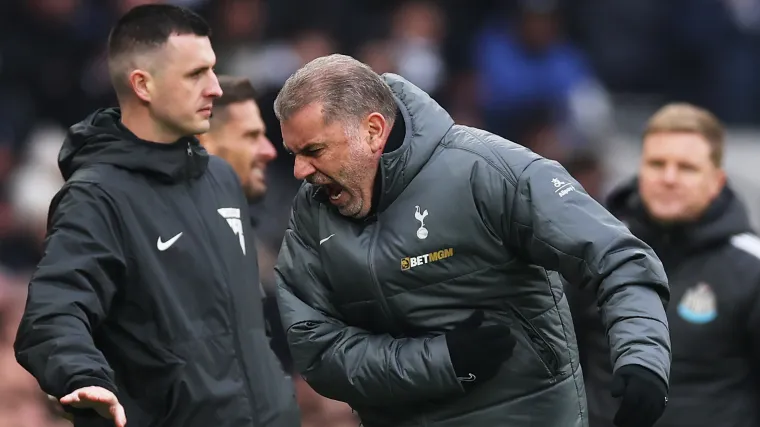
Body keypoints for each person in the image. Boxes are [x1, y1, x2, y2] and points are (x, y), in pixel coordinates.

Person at [272, 53, 671, 427]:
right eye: (293, 153)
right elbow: (315, 347)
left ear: (373, 131)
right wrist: (442, 362)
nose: (299, 170)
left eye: (313, 150)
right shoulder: (311, 213)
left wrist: (643, 357)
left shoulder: (489, 170)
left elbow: (617, 256)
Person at [13, 5, 299, 427]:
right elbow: (53, 314)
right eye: (195, 74)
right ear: (143, 84)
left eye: (213, 70)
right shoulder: (97, 196)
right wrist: (84, 376)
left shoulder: (220, 176)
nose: (216, 88)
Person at [567, 103, 760, 427]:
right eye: (657, 164)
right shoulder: (595, 249)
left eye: (686, 167)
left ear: (716, 180)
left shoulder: (751, 269)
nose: (669, 178)